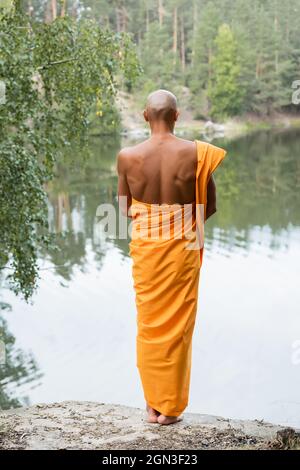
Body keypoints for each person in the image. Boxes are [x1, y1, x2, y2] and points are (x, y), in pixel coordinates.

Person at [117, 89, 227, 425]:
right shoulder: (197, 154)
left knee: (149, 326)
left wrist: (154, 223)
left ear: (144, 115)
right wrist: (179, 225)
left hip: (147, 250)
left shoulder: (127, 156)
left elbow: (122, 209)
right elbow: (210, 206)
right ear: (176, 116)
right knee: (178, 328)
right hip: (183, 249)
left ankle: (153, 405)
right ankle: (171, 408)